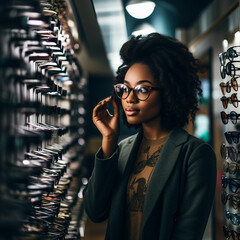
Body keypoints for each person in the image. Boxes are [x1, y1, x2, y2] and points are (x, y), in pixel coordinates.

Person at [83, 33, 216, 240]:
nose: (129, 98)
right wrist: (109, 140)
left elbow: (188, 233)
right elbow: (95, 211)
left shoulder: (195, 154)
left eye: (142, 89)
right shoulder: (122, 149)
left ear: (169, 92)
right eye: (125, 89)